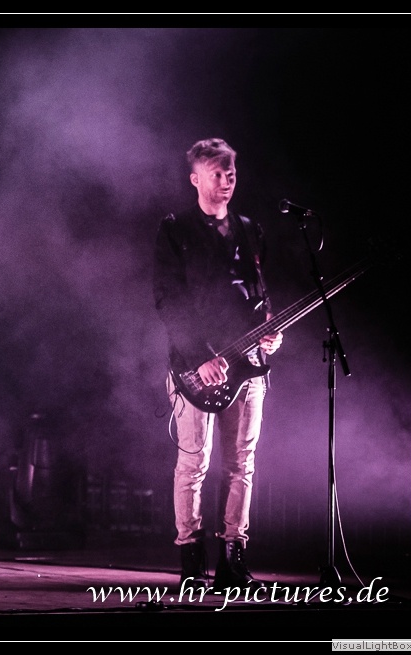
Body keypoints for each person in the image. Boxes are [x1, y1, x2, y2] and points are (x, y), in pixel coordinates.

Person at [152, 138, 283, 590]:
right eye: (217, 174)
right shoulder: (176, 230)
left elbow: (259, 294)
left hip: (249, 365)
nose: (226, 182)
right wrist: (198, 356)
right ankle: (191, 559)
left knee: (241, 463)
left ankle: (233, 559)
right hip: (195, 364)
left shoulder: (249, 229)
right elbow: (168, 301)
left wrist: (270, 331)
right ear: (195, 179)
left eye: (231, 174)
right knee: (194, 462)